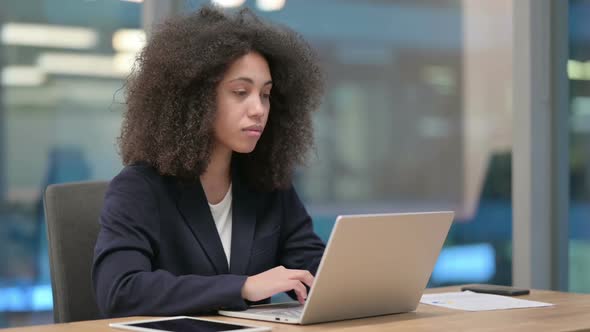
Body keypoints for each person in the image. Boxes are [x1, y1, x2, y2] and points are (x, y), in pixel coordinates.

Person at [92, 5, 326, 317]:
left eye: (266, 94)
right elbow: (120, 290)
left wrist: (359, 280)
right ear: (195, 100)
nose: (259, 108)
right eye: (241, 92)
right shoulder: (139, 188)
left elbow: (314, 269)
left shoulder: (269, 184)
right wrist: (241, 286)